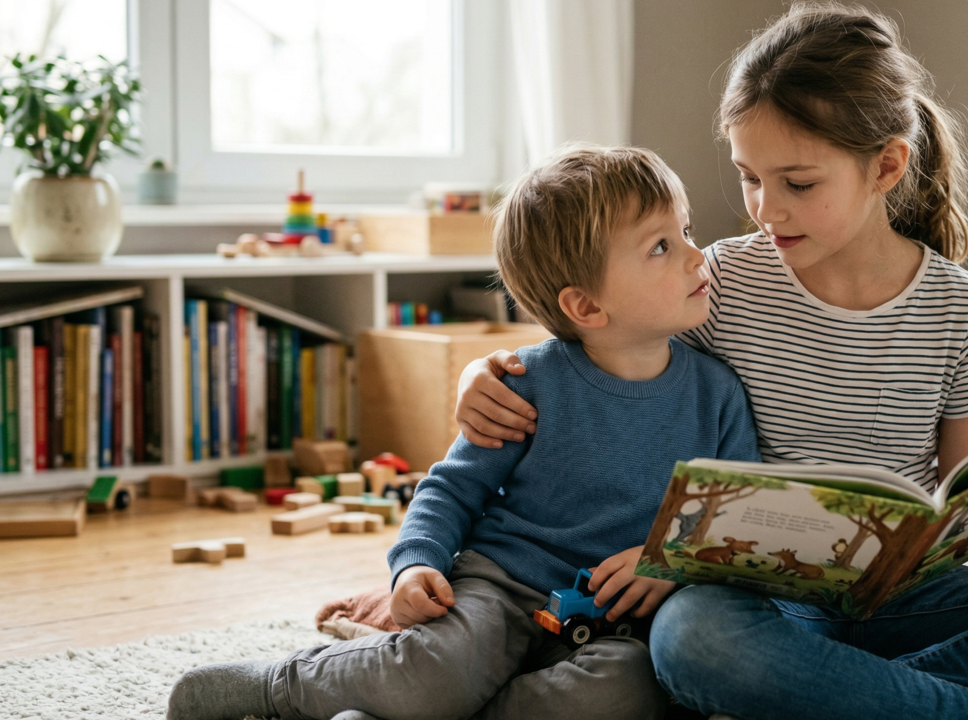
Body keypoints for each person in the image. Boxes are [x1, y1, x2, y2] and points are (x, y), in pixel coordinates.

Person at [452, 6, 968, 720]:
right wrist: (480, 376)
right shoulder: (721, 282)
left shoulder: (959, 309)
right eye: (750, 176)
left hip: (911, 599)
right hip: (759, 602)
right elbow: (607, 359)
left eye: (798, 184)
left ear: (886, 167)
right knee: (693, 637)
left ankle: (837, 699)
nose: (764, 208)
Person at [165, 146, 760, 720]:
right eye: (661, 245)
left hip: (613, 620)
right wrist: (414, 564)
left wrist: (667, 559)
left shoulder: (717, 393)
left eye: (686, 230)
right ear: (586, 306)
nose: (695, 255)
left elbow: (735, 519)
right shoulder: (526, 383)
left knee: (626, 694)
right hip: (500, 588)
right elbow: (450, 489)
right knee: (436, 672)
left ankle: (409, 714)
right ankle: (281, 685)